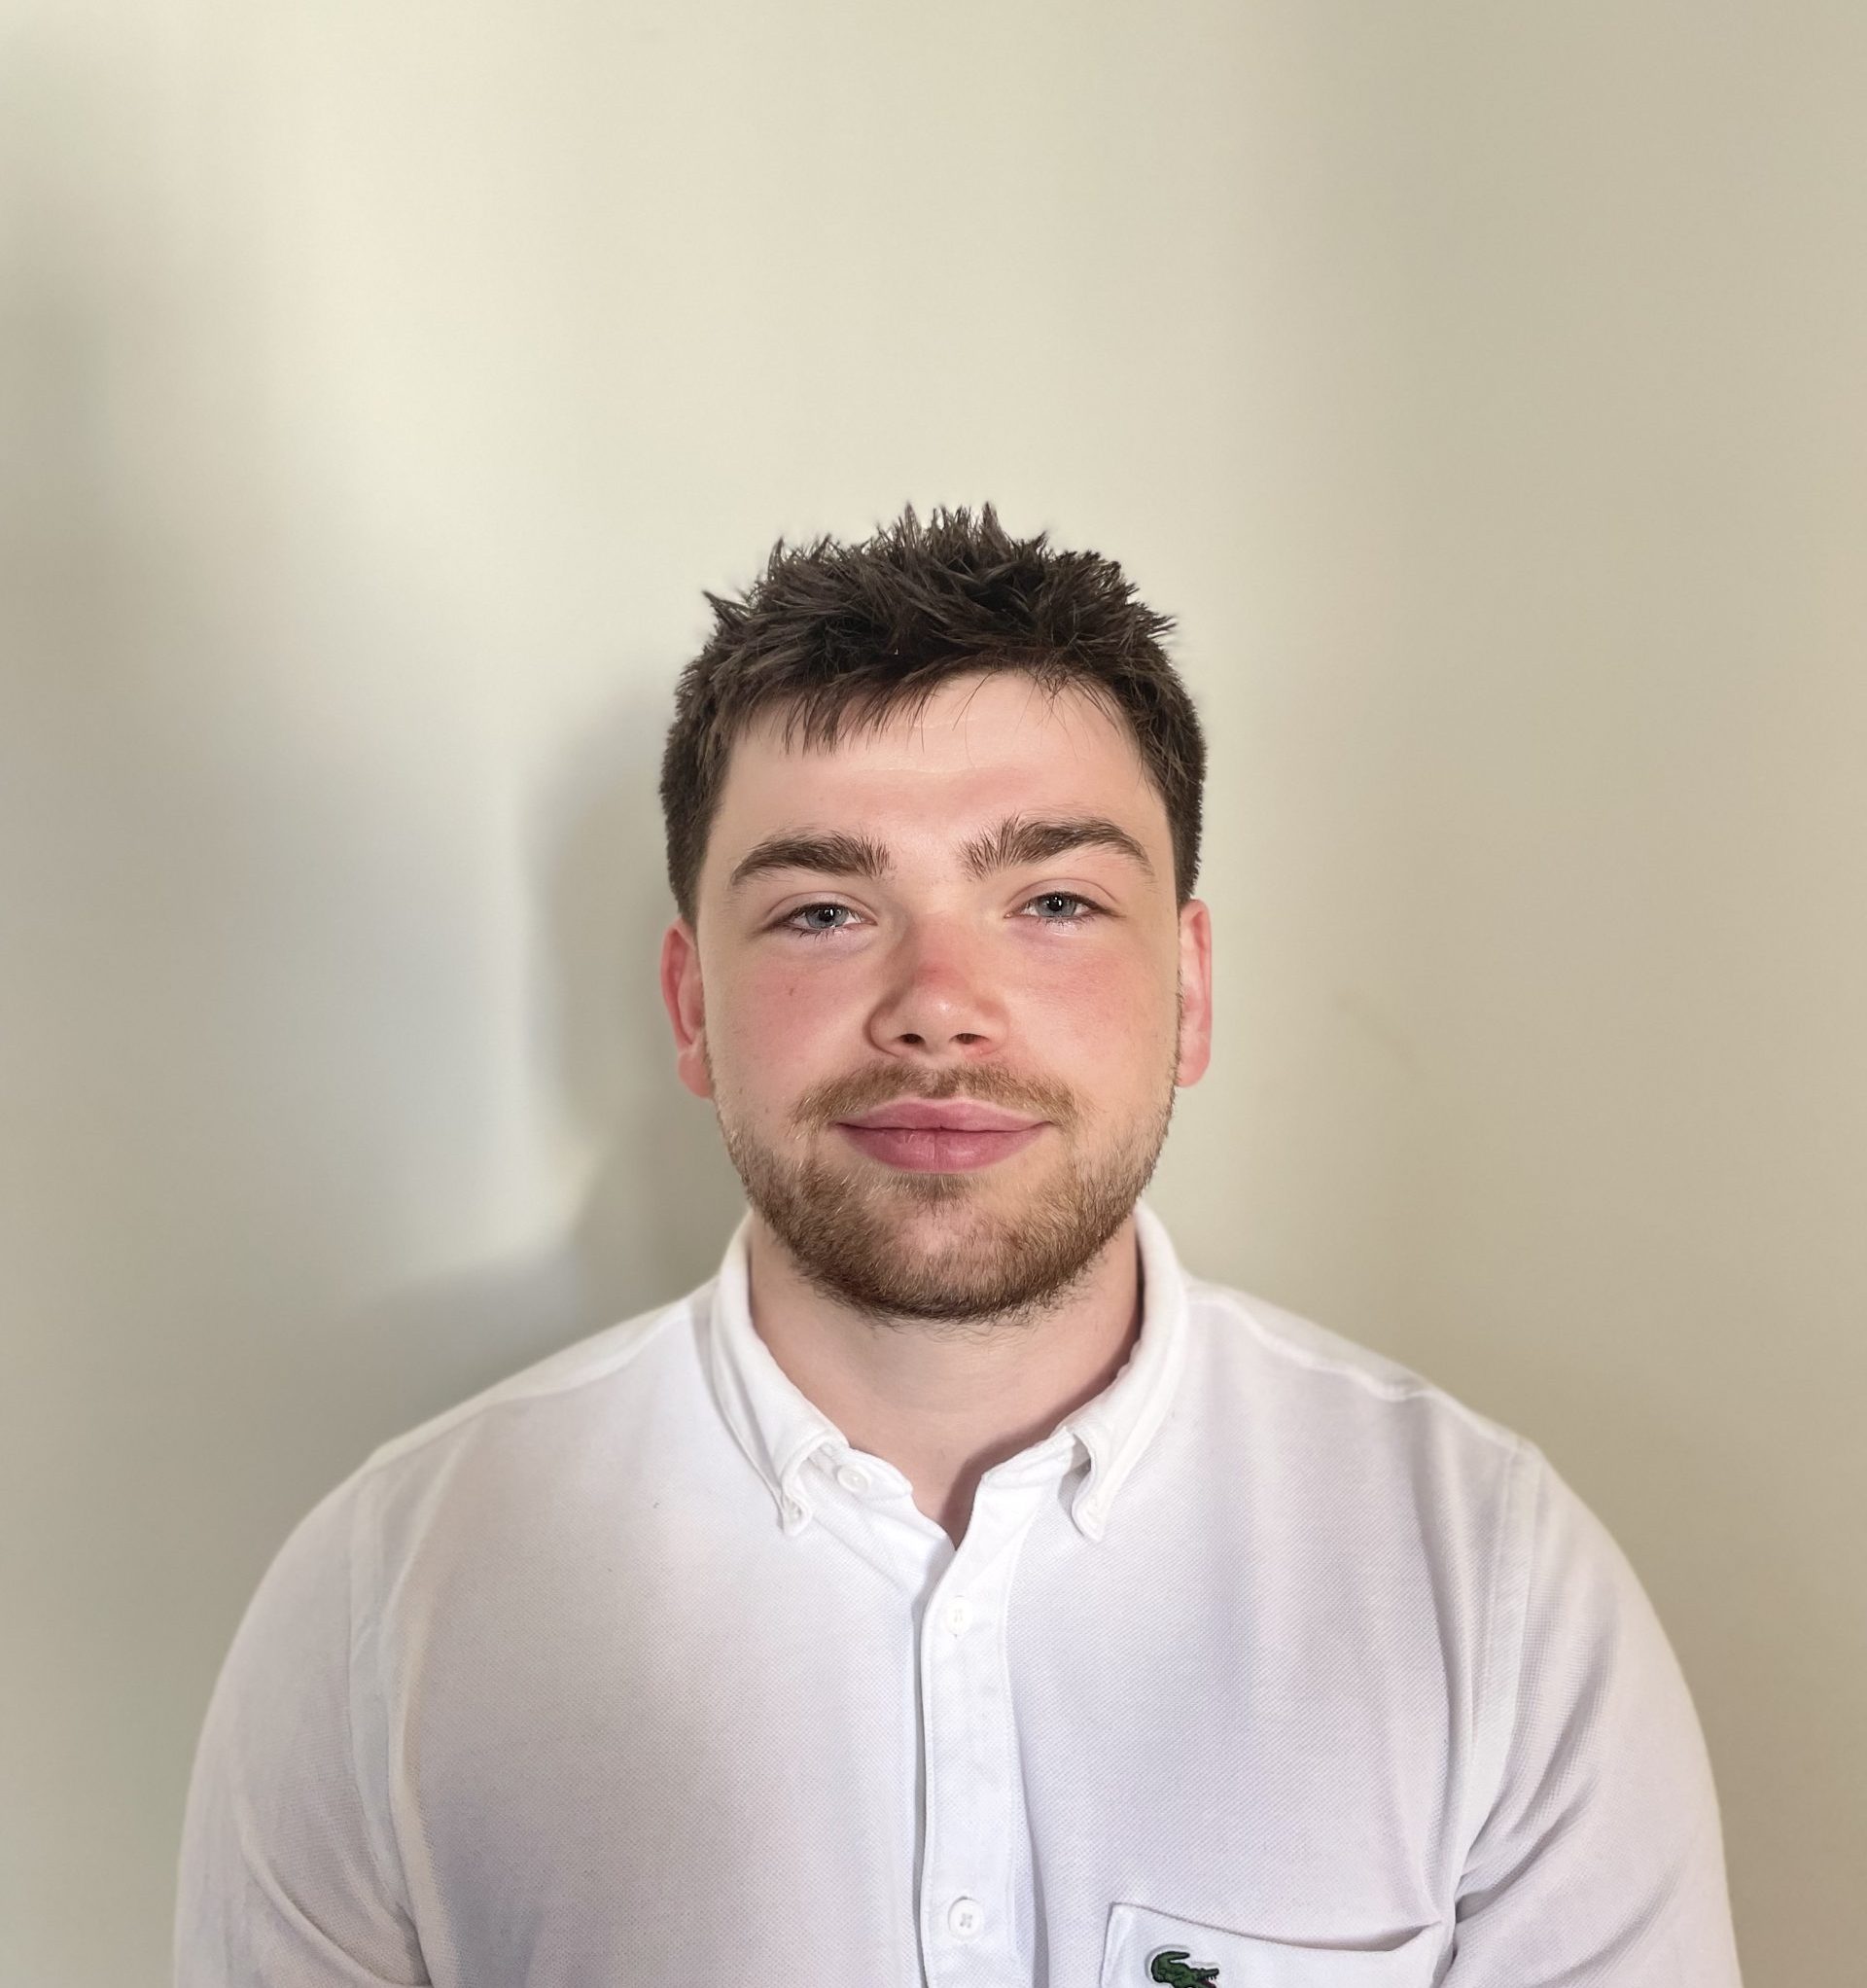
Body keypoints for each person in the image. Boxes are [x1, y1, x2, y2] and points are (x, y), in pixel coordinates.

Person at [175, 505, 1743, 1986]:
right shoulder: (382, 1609)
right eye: (822, 913)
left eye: (1052, 902)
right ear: (690, 1008)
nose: (937, 1006)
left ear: (1190, 992)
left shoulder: (1493, 1587)